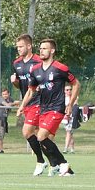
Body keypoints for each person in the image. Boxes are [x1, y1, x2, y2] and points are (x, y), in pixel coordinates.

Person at [16, 39, 80, 176]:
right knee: (44, 139)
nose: (41, 51)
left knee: (41, 136)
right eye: (40, 48)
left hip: (57, 108)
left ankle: (62, 163)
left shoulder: (60, 68)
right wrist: (23, 105)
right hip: (43, 108)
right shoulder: (35, 70)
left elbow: (76, 84)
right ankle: (62, 166)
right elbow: (31, 90)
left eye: (45, 48)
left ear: (52, 51)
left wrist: (70, 103)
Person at [11, 34, 47, 175]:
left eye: (21, 46)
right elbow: (20, 85)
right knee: (42, 136)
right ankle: (58, 163)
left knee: (27, 131)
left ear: (29, 46)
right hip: (27, 102)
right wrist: (15, 82)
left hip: (39, 100)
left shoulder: (38, 61)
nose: (18, 49)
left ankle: (40, 161)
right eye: (17, 47)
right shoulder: (17, 63)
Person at [0, 88, 15, 153]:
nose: (5, 95)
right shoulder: (1, 99)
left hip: (4, 119)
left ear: (9, 94)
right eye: (3, 94)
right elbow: (7, 105)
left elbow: (17, 103)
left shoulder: (10, 99)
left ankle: (1, 149)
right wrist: (14, 103)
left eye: (6, 94)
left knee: (2, 135)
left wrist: (16, 103)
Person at [62, 85, 79, 154]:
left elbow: (74, 105)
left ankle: (66, 148)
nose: (69, 91)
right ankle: (72, 149)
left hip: (71, 117)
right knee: (70, 133)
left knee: (69, 132)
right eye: (67, 90)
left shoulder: (74, 97)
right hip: (65, 117)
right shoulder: (62, 98)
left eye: (70, 89)